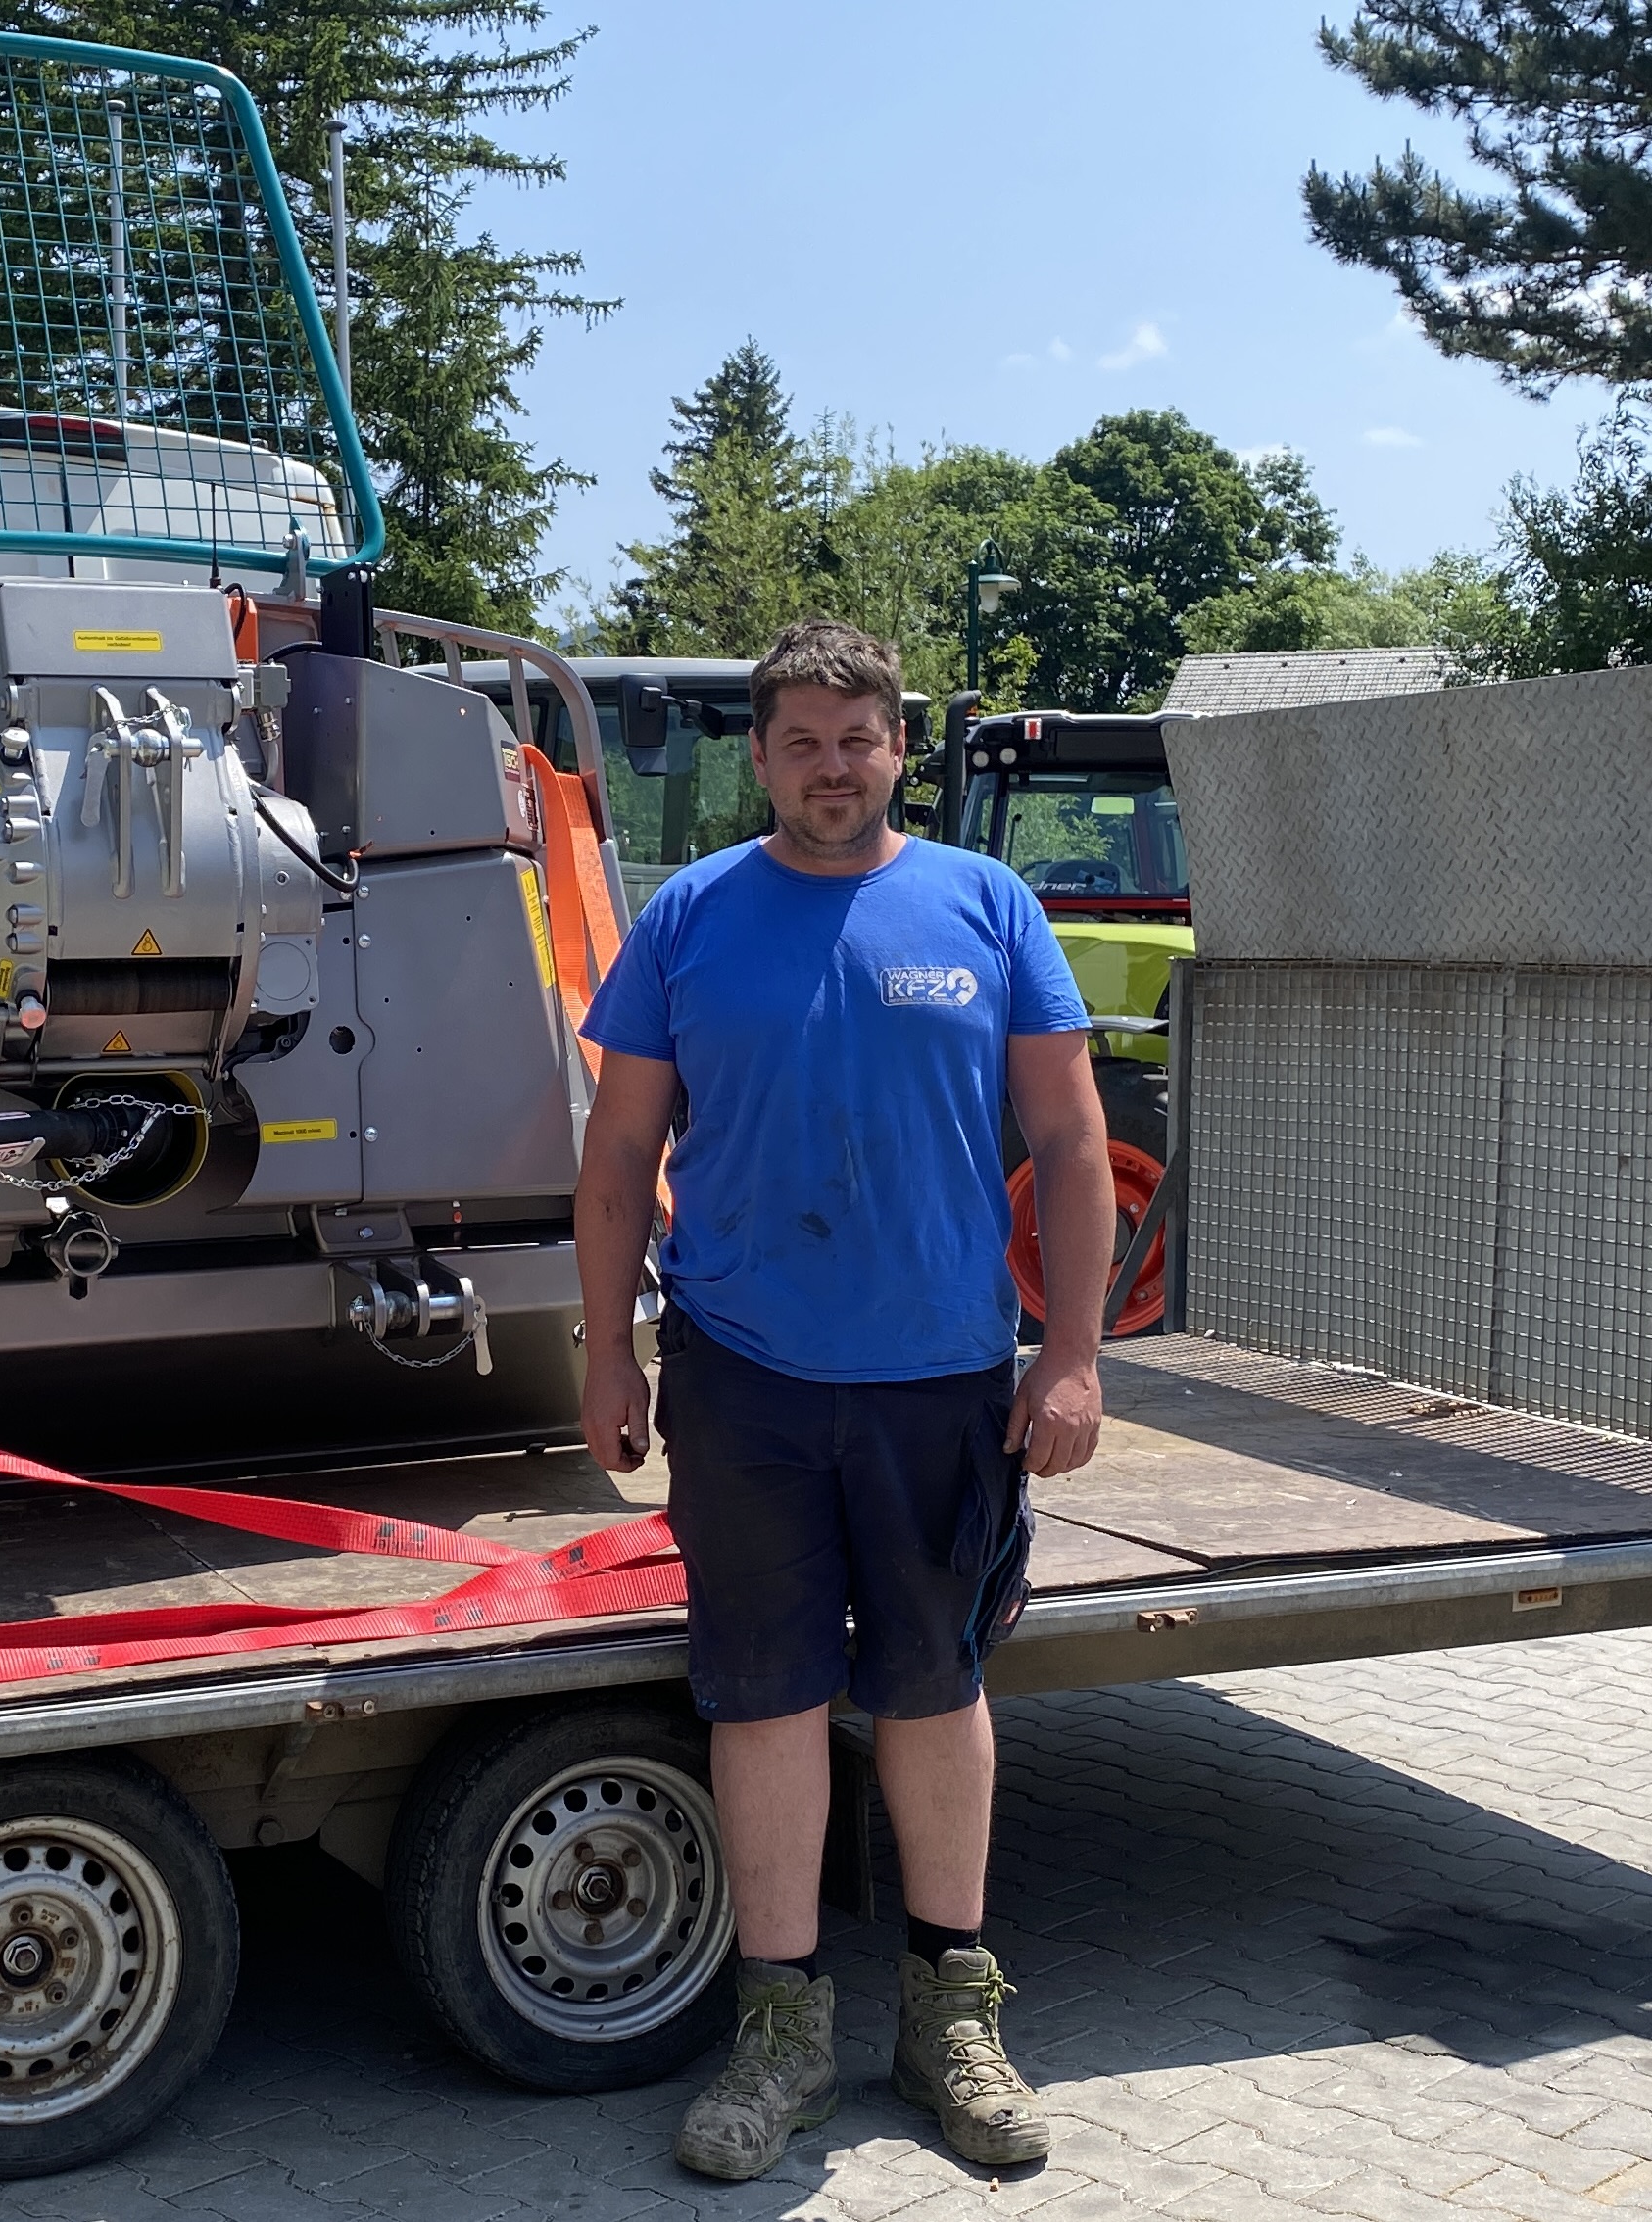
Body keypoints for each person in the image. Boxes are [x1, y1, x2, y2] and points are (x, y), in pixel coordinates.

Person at [571, 618, 1113, 2183]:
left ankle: (951, 2020)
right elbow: (617, 1156)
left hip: (942, 1380)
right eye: (801, 743)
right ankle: (781, 2034)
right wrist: (606, 1355)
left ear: (899, 750)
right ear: (761, 756)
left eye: (856, 740)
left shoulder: (987, 904)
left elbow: (1073, 1145)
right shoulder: (689, 916)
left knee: (936, 1690)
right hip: (744, 1375)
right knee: (767, 1695)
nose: (831, 768)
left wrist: (1073, 1355)